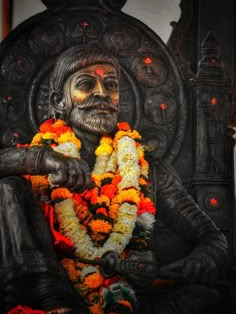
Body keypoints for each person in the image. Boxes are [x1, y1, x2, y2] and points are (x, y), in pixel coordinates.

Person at [0, 46, 228, 314]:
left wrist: (202, 258)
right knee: (8, 187)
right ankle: (51, 294)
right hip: (54, 298)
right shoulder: (37, 165)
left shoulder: (148, 170)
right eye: (86, 84)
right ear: (59, 101)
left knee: (205, 297)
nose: (102, 94)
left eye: (111, 85)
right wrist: (49, 160)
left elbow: (211, 236)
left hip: (125, 296)